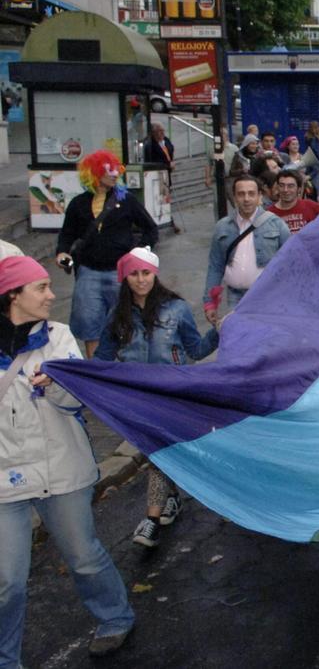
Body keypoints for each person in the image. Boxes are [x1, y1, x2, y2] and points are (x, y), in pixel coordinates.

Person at [0, 256, 136, 663]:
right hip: (6, 477)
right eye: (41, 287)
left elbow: (80, 400)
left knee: (84, 558)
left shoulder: (59, 337)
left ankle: (115, 617)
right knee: (6, 580)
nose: (52, 294)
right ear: (12, 295)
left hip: (62, 471)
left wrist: (59, 384)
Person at [95, 248, 218, 547]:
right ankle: (172, 498)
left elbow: (197, 350)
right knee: (159, 454)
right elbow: (102, 358)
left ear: (155, 274)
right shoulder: (117, 315)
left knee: (159, 454)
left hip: (171, 396)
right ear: (125, 277)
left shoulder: (176, 308)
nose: (141, 280)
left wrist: (218, 329)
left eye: (146, 273)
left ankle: (150, 520)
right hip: (136, 399)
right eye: (134, 274)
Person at [55, 150, 159, 358]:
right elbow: (67, 234)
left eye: (117, 169)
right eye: (109, 169)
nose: (115, 174)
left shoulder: (127, 200)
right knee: (89, 326)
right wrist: (62, 253)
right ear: (94, 173)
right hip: (88, 273)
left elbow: (151, 229)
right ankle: (97, 371)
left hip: (120, 274)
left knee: (127, 322)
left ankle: (124, 370)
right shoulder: (78, 204)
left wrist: (139, 254)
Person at [203, 176, 290, 322]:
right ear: (235, 197)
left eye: (251, 193)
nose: (246, 198)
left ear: (259, 196)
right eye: (241, 194)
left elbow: (290, 264)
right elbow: (215, 266)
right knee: (239, 339)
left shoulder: (277, 224)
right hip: (235, 297)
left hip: (267, 297)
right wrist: (210, 302)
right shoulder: (222, 227)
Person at [267, 170, 319, 234]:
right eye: (282, 185)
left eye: (290, 186)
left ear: (299, 189)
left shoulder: (313, 207)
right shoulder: (269, 214)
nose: (285, 190)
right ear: (277, 187)